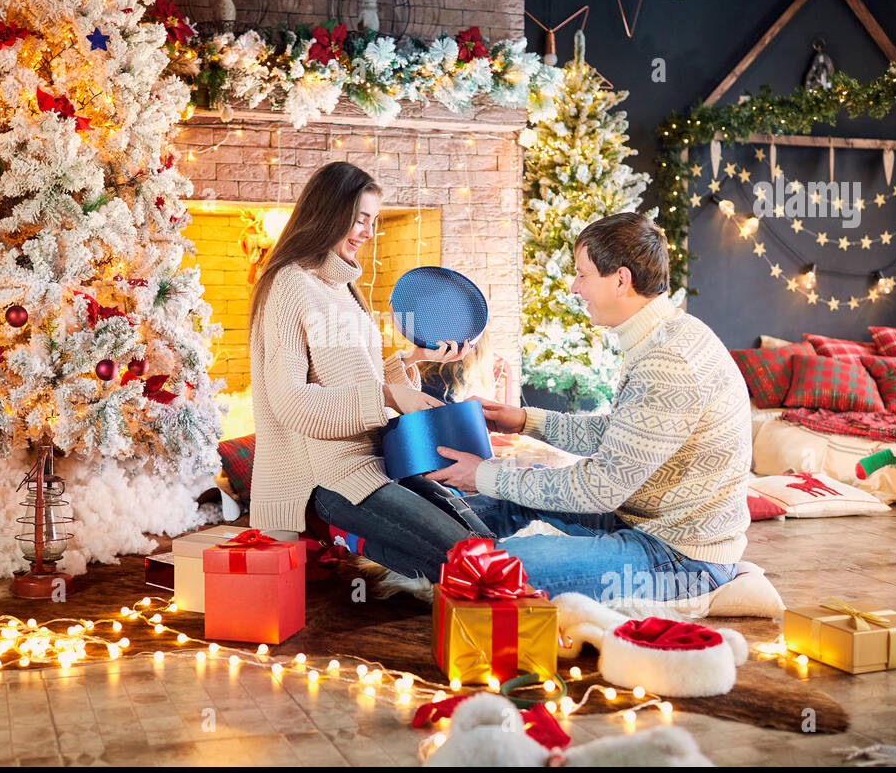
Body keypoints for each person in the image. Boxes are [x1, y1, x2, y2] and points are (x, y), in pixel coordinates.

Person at [428, 212, 751, 603]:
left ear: (620, 279)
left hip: (683, 558)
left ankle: (439, 559)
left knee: (492, 566)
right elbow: (625, 436)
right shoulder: (661, 337)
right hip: (641, 521)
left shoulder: (669, 361)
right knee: (511, 497)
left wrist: (484, 473)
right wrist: (525, 421)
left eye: (582, 274)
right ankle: (426, 538)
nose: (574, 287)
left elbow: (599, 489)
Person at [247, 160, 495, 581]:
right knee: (477, 563)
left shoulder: (344, 286)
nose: (366, 231)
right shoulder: (290, 284)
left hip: (377, 462)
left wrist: (415, 360)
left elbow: (358, 377)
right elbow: (290, 402)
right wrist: (390, 396)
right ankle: (350, 536)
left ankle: (364, 545)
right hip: (331, 477)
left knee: (487, 546)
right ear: (329, 213)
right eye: (359, 219)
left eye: (373, 221)